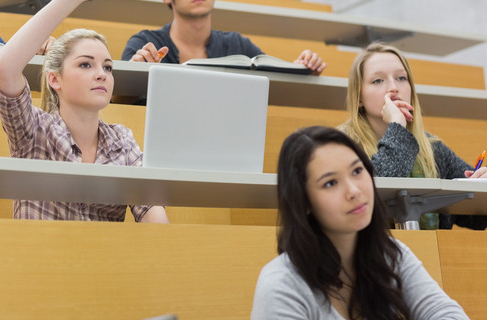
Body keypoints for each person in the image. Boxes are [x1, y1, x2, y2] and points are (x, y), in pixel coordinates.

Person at [251, 126, 468, 319]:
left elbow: (444, 312)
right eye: (330, 183)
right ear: (303, 201)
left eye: (357, 171)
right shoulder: (281, 284)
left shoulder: (390, 254)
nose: (354, 191)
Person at [0, 0, 169, 223]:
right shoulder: (35, 129)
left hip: (102, 257)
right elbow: (4, 69)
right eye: (86, 64)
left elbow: (153, 215)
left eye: (107, 67)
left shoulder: (122, 140)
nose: (101, 74)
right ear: (54, 79)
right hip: (39, 256)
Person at [338, 42, 487, 230]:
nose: (393, 87)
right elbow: (371, 196)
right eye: (378, 81)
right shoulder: (341, 145)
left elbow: (475, 215)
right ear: (358, 97)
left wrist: (482, 181)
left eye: (401, 78)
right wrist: (396, 126)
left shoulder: (431, 147)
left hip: (431, 253)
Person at [121, 0, 326, 74]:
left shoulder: (237, 45)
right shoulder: (144, 43)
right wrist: (136, 69)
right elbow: (120, 98)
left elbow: (274, 75)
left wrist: (302, 67)